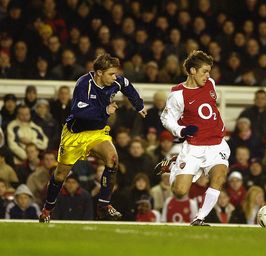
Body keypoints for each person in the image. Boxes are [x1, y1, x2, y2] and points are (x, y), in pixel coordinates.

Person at [39, 53, 147, 223]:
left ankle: (104, 205)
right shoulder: (84, 84)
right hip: (75, 135)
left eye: (115, 73)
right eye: (111, 74)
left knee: (112, 159)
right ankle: (47, 208)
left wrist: (138, 104)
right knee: (60, 176)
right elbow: (79, 112)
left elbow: (127, 86)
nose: (114, 77)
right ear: (98, 72)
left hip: (97, 132)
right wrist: (104, 111)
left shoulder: (115, 81)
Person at [158, 50, 230, 225]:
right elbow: (166, 118)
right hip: (194, 148)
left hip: (217, 144)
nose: (208, 75)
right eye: (204, 71)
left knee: (219, 176)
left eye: (209, 71)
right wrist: (181, 130)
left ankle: (199, 218)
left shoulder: (210, 84)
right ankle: (175, 165)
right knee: (180, 192)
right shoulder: (177, 95)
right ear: (192, 71)